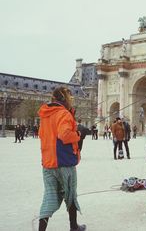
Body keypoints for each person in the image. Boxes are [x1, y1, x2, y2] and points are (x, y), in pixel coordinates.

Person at [37, 86, 86, 231]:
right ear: (64, 99)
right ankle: (73, 227)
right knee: (70, 195)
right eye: (70, 98)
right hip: (64, 163)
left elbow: (42, 135)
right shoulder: (63, 114)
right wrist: (78, 134)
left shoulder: (45, 114)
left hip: (48, 163)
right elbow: (64, 135)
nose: (72, 101)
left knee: (49, 197)